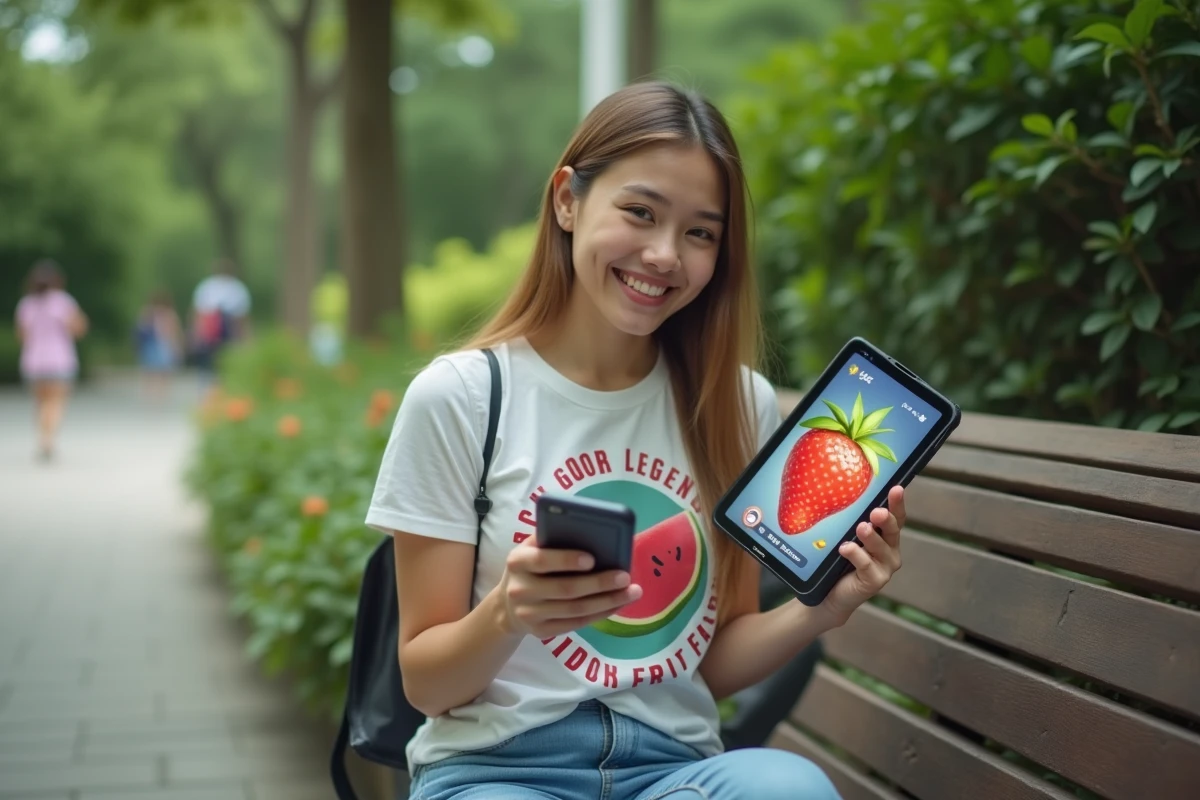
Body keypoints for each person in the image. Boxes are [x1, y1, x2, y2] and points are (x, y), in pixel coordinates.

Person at [366, 82, 905, 800]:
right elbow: (426, 683)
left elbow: (707, 666)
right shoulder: (461, 397)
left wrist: (823, 609)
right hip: (495, 769)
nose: (664, 255)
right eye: (640, 212)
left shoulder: (737, 405)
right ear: (567, 199)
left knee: (791, 788)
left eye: (700, 233)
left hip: (672, 770)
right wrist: (506, 612)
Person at [14, 259, 88, 461]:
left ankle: (42, 438)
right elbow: (78, 328)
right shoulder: (63, 301)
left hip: (34, 361)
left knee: (40, 403)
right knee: (55, 402)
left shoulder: (26, 304)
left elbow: (22, 335)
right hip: (59, 359)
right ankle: (48, 441)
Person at [189, 258, 251, 391]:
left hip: (216, 330)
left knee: (212, 362)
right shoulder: (237, 288)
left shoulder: (206, 287)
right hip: (218, 330)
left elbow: (198, 313)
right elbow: (242, 317)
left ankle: (211, 389)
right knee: (221, 361)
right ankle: (217, 388)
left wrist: (196, 332)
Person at [134, 289, 184, 402]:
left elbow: (139, 327)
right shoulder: (169, 313)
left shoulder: (148, 312)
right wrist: (178, 346)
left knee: (151, 371)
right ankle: (160, 395)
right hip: (163, 344)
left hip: (152, 344)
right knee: (162, 372)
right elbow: (175, 332)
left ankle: (150, 395)